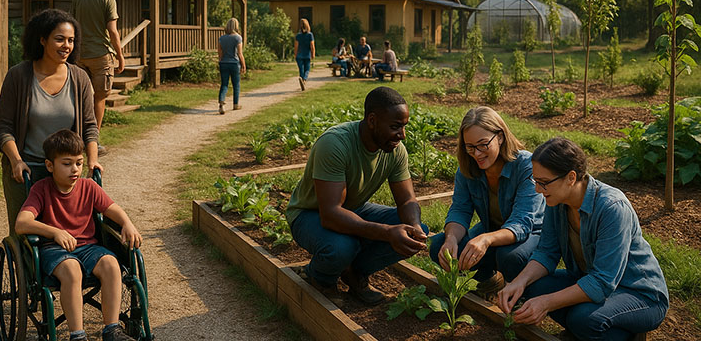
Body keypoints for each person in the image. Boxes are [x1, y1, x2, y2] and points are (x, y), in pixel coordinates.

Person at [498, 138, 668, 341]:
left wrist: (547, 303)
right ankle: (593, 329)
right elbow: (546, 253)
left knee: (583, 318)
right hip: (591, 280)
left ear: (571, 177)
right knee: (532, 288)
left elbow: (603, 281)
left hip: (640, 294)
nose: (537, 190)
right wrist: (519, 282)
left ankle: (623, 333)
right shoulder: (556, 201)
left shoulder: (612, 207)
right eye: (536, 181)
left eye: (543, 182)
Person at [286, 86, 428, 305]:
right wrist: (387, 232)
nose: (402, 135)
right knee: (342, 247)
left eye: (404, 127)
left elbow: (407, 200)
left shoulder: (395, 150)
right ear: (372, 120)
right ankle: (319, 276)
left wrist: (414, 226)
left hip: (352, 208)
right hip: (309, 214)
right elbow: (331, 214)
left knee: (414, 230)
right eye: (395, 127)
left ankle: (354, 273)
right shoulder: (335, 144)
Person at [15, 129, 142, 341]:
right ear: (49, 166)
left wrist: (127, 223)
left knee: (111, 264)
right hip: (55, 250)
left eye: (79, 163)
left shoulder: (89, 186)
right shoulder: (41, 189)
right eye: (67, 164)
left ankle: (112, 330)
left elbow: (113, 209)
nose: (75, 169)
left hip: (88, 247)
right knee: (72, 270)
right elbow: (22, 223)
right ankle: (77, 335)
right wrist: (55, 232)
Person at [0, 9, 100, 235]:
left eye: (71, 40)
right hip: (27, 169)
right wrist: (15, 161)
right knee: (27, 236)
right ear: (42, 40)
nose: (66, 46)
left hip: (65, 170)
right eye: (59, 39)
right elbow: (4, 126)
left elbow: (90, 125)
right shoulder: (19, 76)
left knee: (71, 234)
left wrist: (92, 160)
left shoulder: (79, 77)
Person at [429, 106, 544, 296]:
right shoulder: (468, 168)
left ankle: (524, 293)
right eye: (470, 147)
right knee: (440, 246)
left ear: (499, 136)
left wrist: (485, 239)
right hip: (493, 232)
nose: (477, 153)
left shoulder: (525, 165)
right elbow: (460, 210)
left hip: (532, 234)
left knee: (510, 256)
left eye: (483, 144)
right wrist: (451, 239)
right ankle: (489, 280)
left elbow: (522, 224)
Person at [71, 0, 125, 151]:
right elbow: (112, 31)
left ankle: (77, 137)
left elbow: (72, 26)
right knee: (99, 98)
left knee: (79, 97)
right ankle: (93, 142)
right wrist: (120, 56)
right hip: (101, 55)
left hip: (79, 54)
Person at [217, 18, 246, 114]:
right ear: (236, 26)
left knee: (224, 84)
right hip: (234, 63)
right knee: (236, 85)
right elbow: (240, 53)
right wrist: (243, 65)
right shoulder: (238, 38)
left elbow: (219, 52)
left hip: (224, 63)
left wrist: (220, 60)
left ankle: (221, 103)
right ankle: (235, 104)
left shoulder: (222, 38)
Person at [294, 18, 315, 91]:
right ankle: (304, 80)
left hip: (299, 55)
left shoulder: (298, 35)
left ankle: (301, 78)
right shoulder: (310, 35)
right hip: (307, 55)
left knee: (301, 69)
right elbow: (312, 46)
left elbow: (296, 46)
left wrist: (295, 54)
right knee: (307, 69)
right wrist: (313, 54)